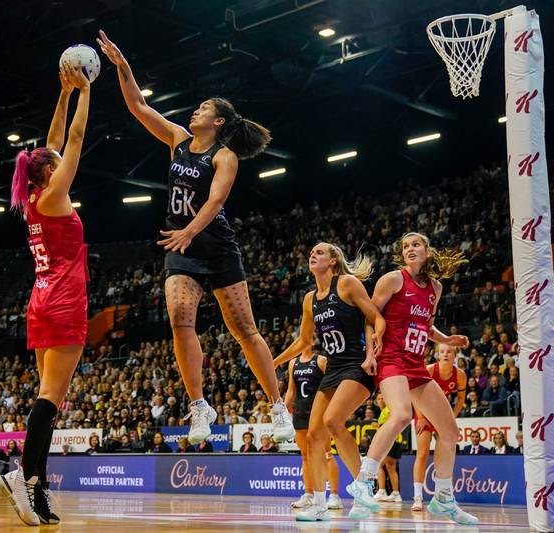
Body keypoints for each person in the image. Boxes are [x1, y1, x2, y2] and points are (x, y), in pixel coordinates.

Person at [96, 30, 293, 446]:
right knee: (179, 319)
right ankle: (199, 404)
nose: (196, 110)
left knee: (245, 330)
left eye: (204, 108)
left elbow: (217, 199)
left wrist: (189, 229)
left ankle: (277, 405)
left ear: (218, 121)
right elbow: (138, 106)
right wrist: (122, 65)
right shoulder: (178, 140)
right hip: (181, 248)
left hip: (215, 246)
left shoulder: (224, 156)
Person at [0, 62, 91, 527]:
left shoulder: (35, 197)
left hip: (41, 299)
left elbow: (54, 141)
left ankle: (37, 488)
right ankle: (25, 477)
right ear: (49, 171)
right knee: (51, 398)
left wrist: (63, 94)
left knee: (48, 400)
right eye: (55, 163)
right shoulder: (55, 197)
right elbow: (73, 139)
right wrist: (86, 92)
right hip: (65, 300)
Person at [358, 233, 477, 525]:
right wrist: (370, 353)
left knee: (450, 432)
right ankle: (363, 482)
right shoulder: (392, 280)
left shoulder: (435, 288)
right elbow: (370, 316)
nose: (409, 249)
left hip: (416, 364)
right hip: (391, 358)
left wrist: (446, 339)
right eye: (405, 246)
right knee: (401, 414)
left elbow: (426, 326)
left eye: (415, 245)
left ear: (427, 251)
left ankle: (444, 498)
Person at [273, 242, 385, 521]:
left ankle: (364, 486)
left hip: (357, 364)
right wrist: (273, 362)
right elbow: (304, 341)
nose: (313, 254)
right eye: (311, 252)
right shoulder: (309, 299)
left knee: (333, 421)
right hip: (333, 367)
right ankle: (319, 504)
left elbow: (375, 318)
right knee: (314, 436)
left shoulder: (347, 284)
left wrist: (372, 354)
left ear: (333, 260)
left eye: (319, 252)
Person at [411, 343, 467, 511]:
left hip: (441, 415)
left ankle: (445, 495)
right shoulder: (429, 370)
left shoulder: (460, 375)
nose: (445, 354)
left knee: (447, 454)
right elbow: (414, 394)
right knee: (422, 454)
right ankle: (418, 497)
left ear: (455, 355)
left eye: (449, 351)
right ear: (437, 354)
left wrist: (451, 417)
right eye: (442, 351)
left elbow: (461, 400)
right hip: (424, 413)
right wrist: (421, 417)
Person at [280, 345, 329, 509]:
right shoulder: (293, 363)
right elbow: (291, 390)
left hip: (318, 410)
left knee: (323, 454)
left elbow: (330, 387)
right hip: (300, 411)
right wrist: (283, 409)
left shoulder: (321, 360)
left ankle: (327, 495)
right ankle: (308, 494)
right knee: (305, 455)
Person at [373, 393, 403, 504]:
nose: (381, 400)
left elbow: (391, 424)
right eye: (379, 399)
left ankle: (382, 491)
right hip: (394, 440)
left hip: (391, 440)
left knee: (379, 465)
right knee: (391, 467)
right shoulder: (383, 411)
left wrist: (379, 427)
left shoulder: (389, 410)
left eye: (383, 398)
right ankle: (396, 494)